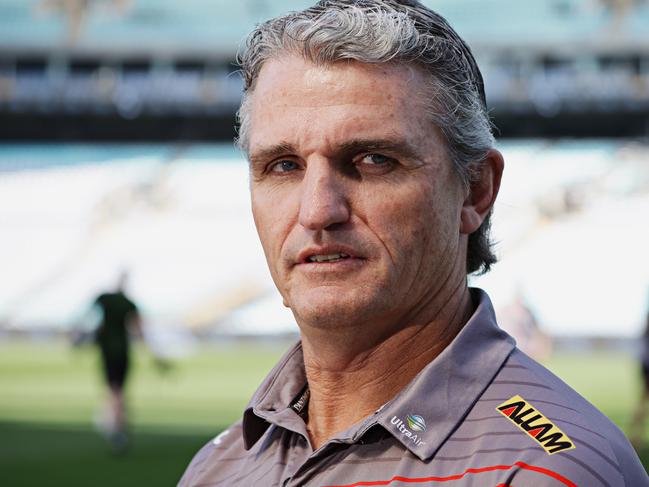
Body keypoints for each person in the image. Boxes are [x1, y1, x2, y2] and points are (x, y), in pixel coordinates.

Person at [180, 1, 648, 485]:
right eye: (283, 166)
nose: (317, 211)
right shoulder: (219, 466)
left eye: (373, 160)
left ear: (475, 189)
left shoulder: (545, 471)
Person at [93, 272, 141, 451]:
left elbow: (92, 320)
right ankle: (116, 423)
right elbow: (137, 330)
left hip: (108, 351)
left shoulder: (105, 299)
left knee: (113, 390)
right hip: (122, 351)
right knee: (118, 390)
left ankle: (116, 428)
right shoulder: (128, 303)